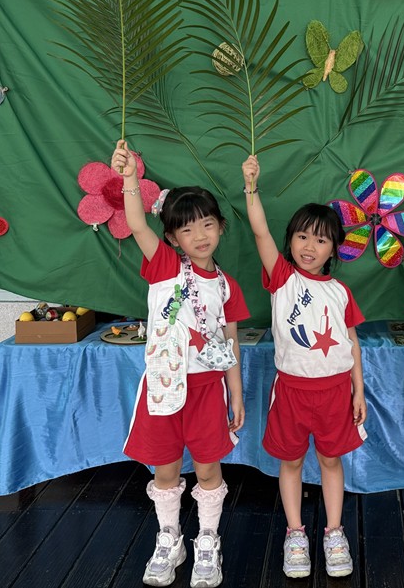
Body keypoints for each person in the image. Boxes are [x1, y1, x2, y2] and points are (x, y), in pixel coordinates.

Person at [112, 139, 250, 588]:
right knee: (166, 467)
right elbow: (136, 223)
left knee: (208, 468)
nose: (200, 235)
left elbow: (230, 344)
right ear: (173, 238)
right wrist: (129, 178)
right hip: (164, 386)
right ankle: (169, 538)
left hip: (209, 389)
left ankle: (207, 540)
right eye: (188, 230)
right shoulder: (165, 266)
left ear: (221, 227)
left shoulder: (226, 286)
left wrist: (236, 394)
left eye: (208, 224)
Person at [241, 154, 367, 579]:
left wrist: (359, 391)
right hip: (292, 391)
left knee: (331, 461)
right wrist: (251, 187)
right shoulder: (282, 278)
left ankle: (334, 532)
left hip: (335, 393)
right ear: (290, 241)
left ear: (334, 248)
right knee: (291, 462)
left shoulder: (340, 292)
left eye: (321, 240)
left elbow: (352, 343)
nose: (309, 247)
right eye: (301, 237)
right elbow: (259, 230)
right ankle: (295, 534)